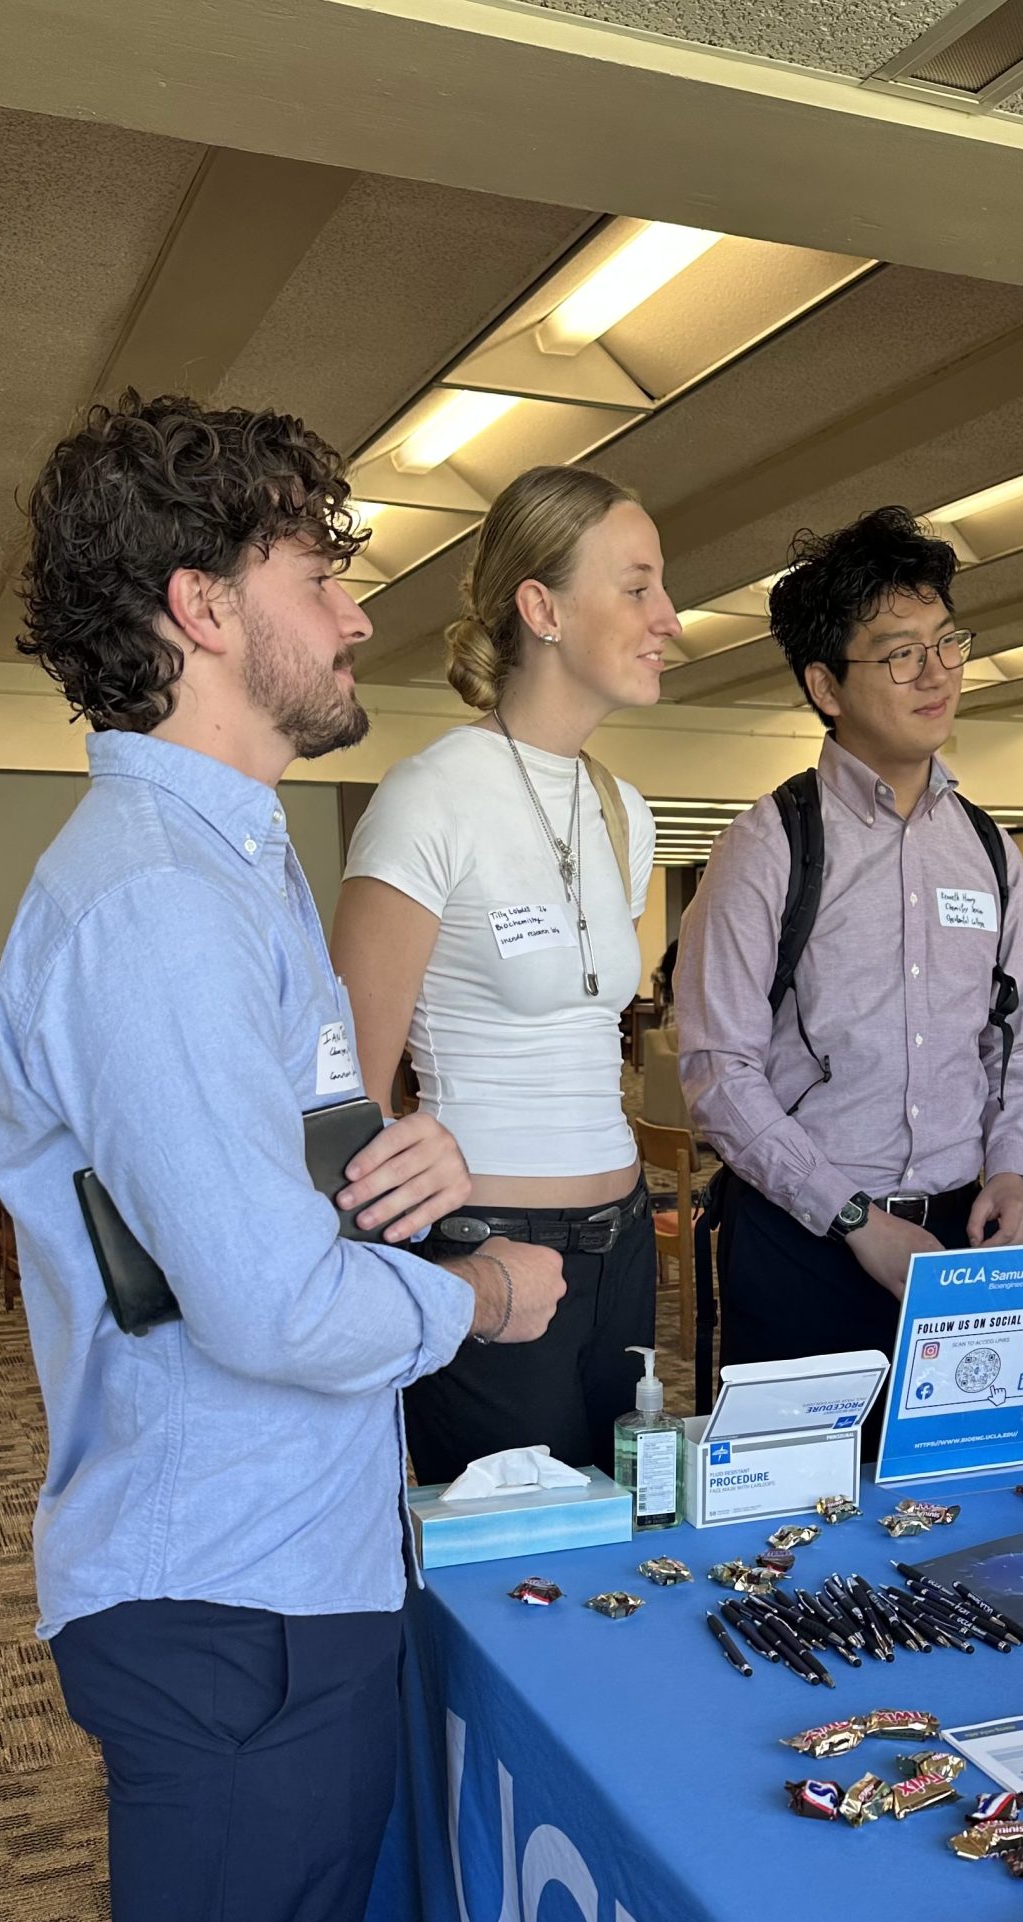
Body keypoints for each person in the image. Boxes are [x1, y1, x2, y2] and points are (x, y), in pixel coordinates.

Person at [0, 390, 564, 1922]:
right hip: (213, 1574)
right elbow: (254, 1298)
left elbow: (297, 1169)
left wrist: (401, 1163)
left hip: (290, 1548)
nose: (357, 614)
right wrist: (472, 1290)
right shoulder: (146, 899)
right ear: (202, 608)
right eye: (322, 574)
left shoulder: (232, 861)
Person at [332, 464, 678, 1483]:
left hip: (624, 1240)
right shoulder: (430, 798)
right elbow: (346, 1096)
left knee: (622, 1527)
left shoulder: (625, 811)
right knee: (517, 1555)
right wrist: (429, 1273)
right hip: (487, 1248)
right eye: (638, 586)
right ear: (543, 608)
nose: (668, 615)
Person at [675, 506, 1023, 1405]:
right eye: (900, 654)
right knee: (797, 1492)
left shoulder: (990, 850)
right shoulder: (770, 845)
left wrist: (1015, 1168)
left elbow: (1017, 1044)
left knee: (953, 1477)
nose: (937, 672)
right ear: (827, 686)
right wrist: (853, 1219)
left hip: (958, 1239)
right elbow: (718, 1072)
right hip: (806, 1240)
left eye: (946, 642)